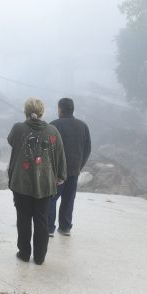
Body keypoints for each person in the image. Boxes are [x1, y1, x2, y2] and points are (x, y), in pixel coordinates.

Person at [7, 97, 66, 265]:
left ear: (26, 111)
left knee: (23, 218)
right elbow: (60, 155)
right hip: (45, 183)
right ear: (42, 112)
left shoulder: (18, 129)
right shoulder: (53, 131)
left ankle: (24, 253)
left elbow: (11, 141)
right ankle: (40, 257)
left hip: (21, 183)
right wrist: (61, 175)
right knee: (41, 219)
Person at [46, 98, 91, 236]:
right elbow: (87, 149)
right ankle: (65, 227)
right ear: (72, 109)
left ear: (60, 109)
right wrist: (79, 166)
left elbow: (46, 149)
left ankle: (49, 228)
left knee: (51, 198)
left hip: (56, 172)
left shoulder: (53, 126)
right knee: (68, 199)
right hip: (74, 170)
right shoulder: (82, 126)